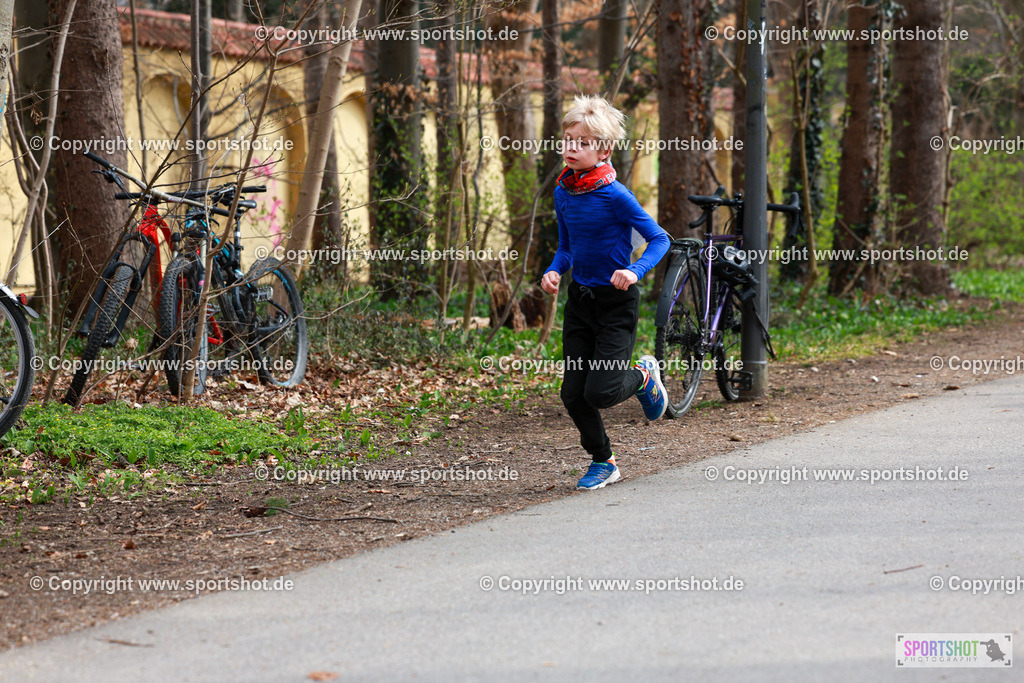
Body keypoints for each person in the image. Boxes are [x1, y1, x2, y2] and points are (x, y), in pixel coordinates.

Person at [540, 95, 671, 490]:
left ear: (604, 150)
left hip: (616, 305)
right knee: (573, 393)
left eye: (582, 142)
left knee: (601, 391)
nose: (571, 148)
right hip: (580, 302)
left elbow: (659, 239)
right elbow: (567, 247)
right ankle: (603, 461)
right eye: (568, 139)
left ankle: (643, 376)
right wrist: (554, 270)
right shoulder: (564, 192)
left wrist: (634, 270)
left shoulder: (616, 196)